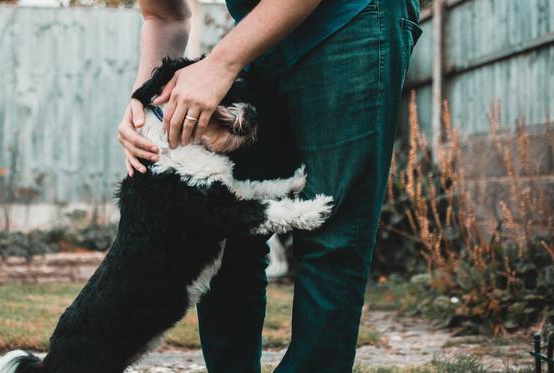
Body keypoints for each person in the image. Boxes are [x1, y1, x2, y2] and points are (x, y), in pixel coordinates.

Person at [117, 0, 421, 371]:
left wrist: (221, 63)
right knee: (222, 229)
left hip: (351, 18)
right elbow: (163, 14)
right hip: (261, 30)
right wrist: (142, 103)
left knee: (333, 230)